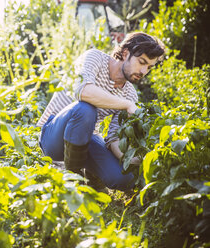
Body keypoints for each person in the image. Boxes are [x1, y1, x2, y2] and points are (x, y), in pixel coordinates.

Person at [37, 32, 165, 191]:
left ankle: (91, 174)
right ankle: (74, 181)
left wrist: (136, 159)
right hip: (53, 137)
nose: (144, 71)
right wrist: (125, 104)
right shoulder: (94, 57)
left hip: (85, 139)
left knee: (123, 177)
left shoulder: (130, 94)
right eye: (142, 62)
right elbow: (82, 91)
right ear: (125, 54)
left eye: (149, 67)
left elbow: (113, 139)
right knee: (85, 109)